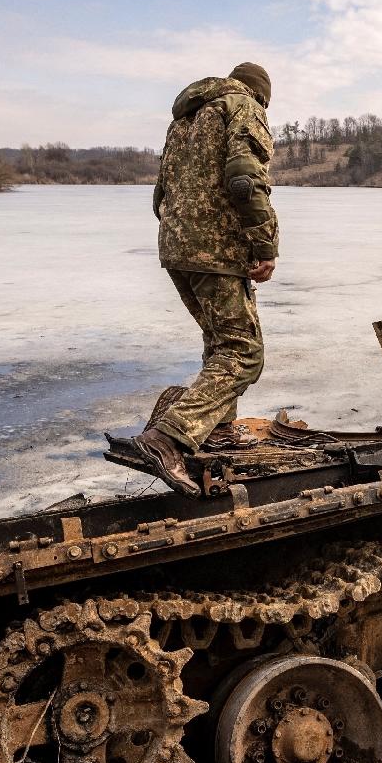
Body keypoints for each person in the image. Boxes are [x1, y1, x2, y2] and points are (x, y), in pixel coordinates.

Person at [128, 62, 277, 496]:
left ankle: (216, 432)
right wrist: (263, 247)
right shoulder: (242, 106)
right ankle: (170, 436)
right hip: (217, 250)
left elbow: (160, 195)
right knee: (244, 354)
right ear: (261, 94)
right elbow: (244, 179)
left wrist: (183, 236)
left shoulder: (185, 120)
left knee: (219, 342)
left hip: (177, 247)